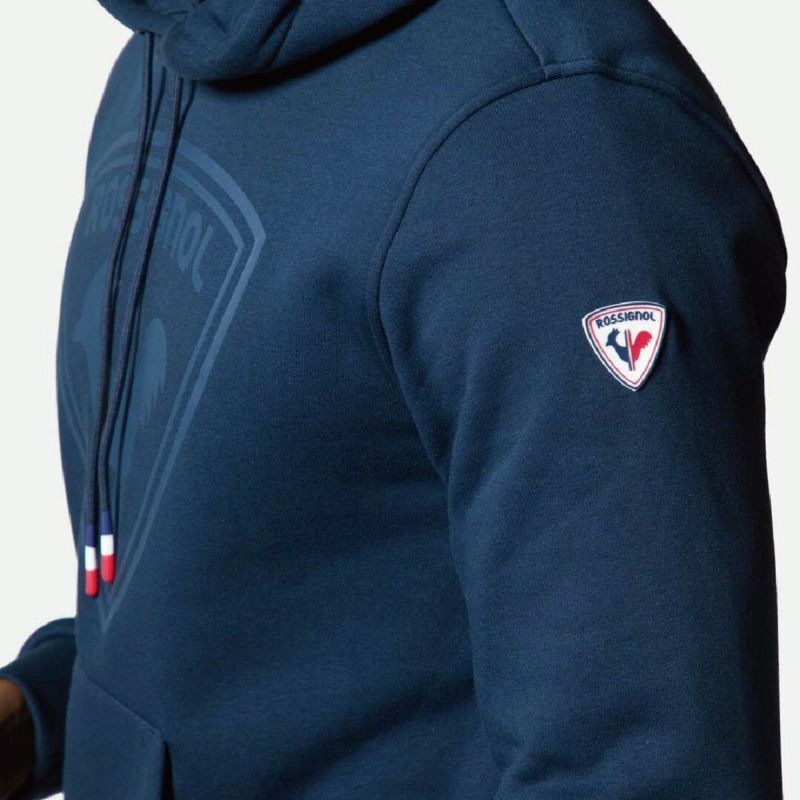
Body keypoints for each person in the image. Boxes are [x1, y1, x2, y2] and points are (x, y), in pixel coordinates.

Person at [0, 0, 787, 798]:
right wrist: (42, 713)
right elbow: (281, 579)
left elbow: (642, 770)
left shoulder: (550, 145)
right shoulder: (173, 46)